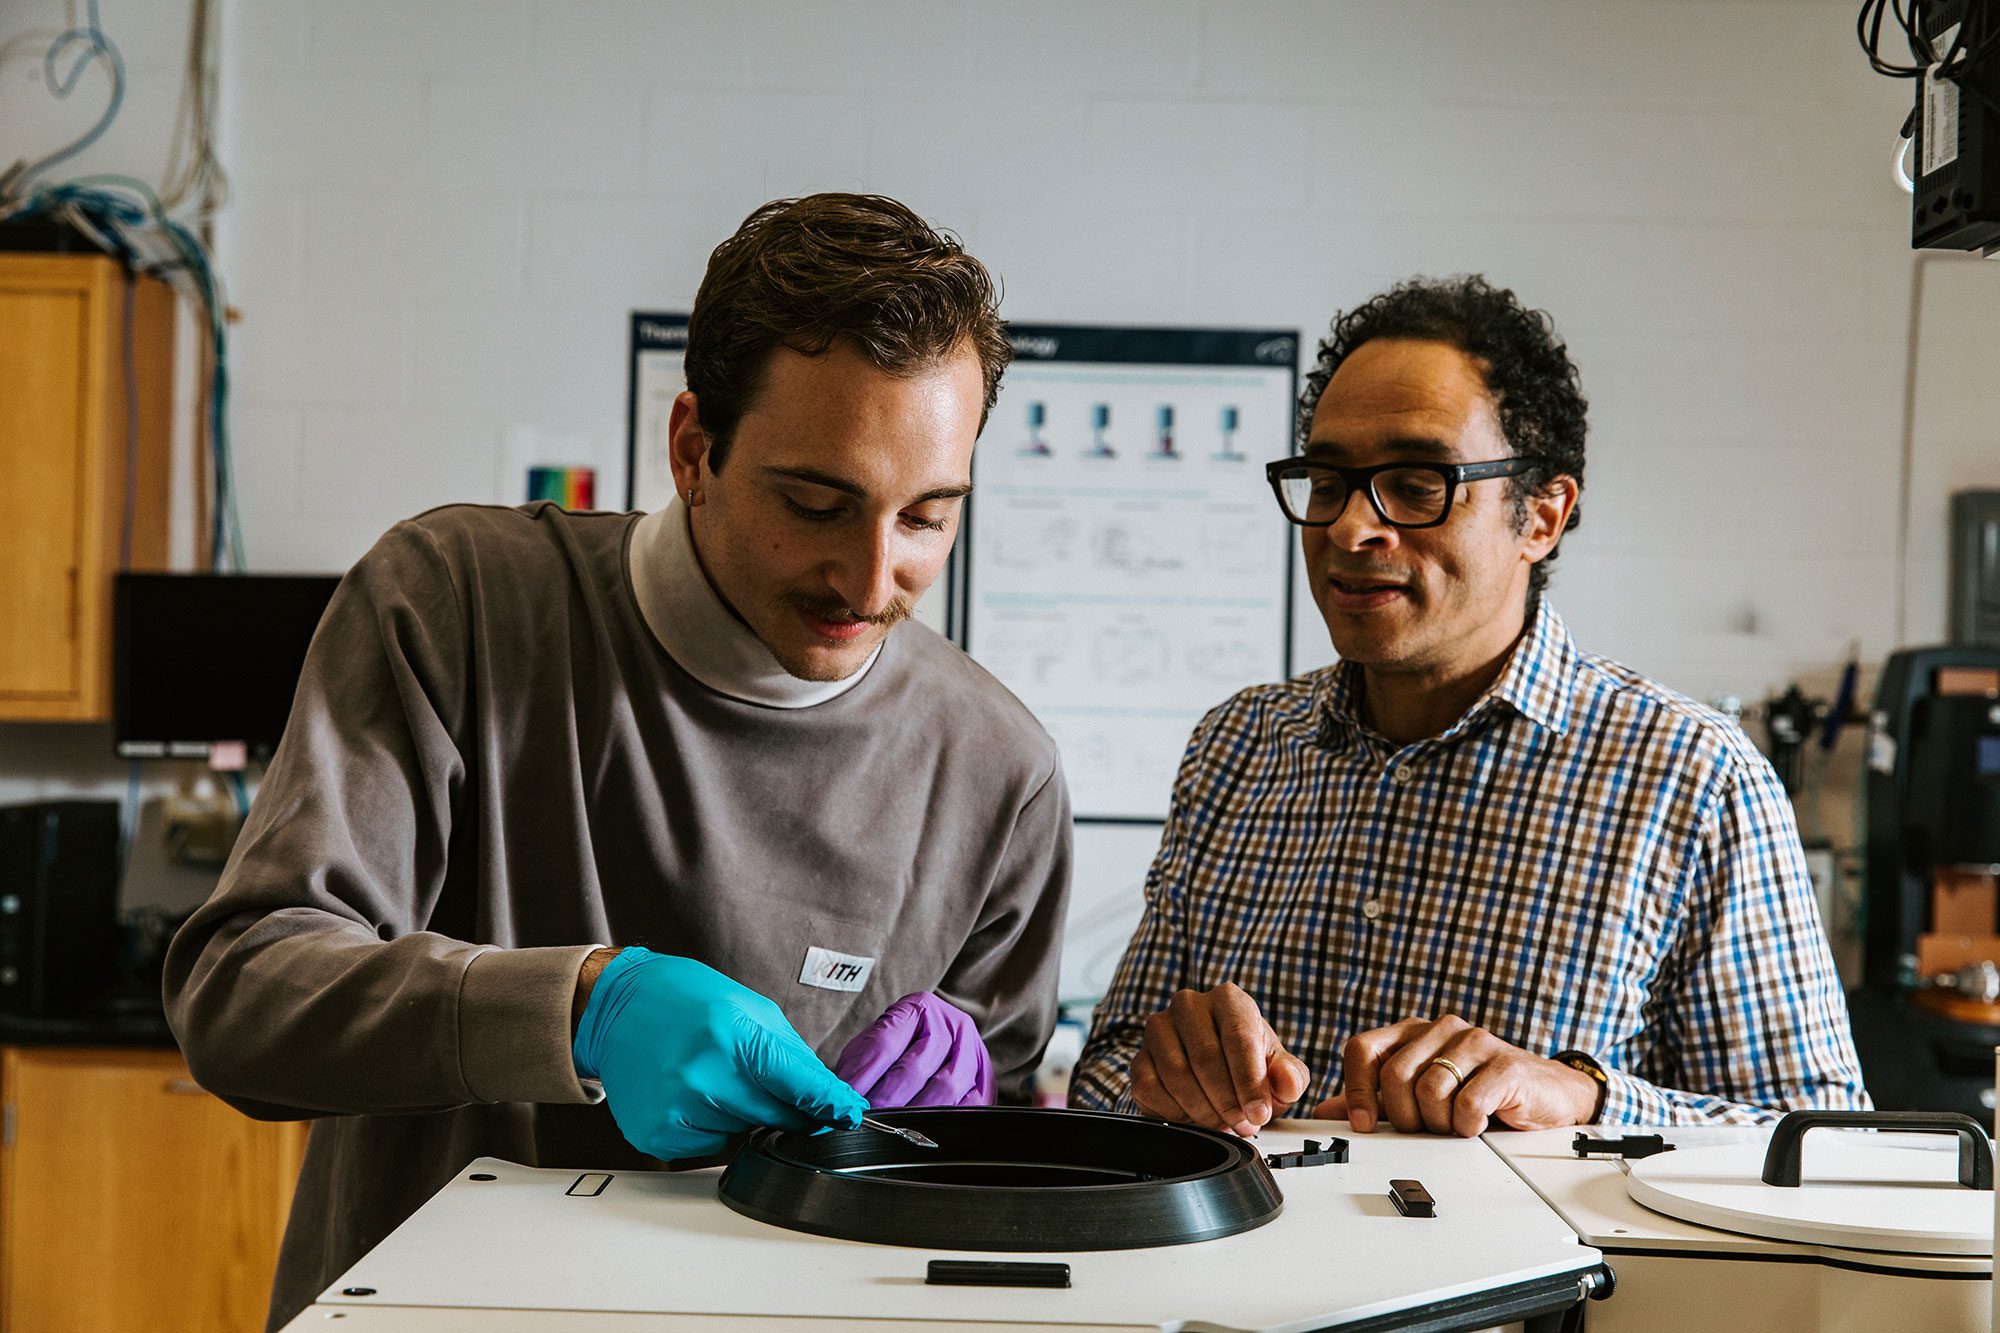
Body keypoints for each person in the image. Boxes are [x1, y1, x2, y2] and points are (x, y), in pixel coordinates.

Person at [166, 194, 1072, 1329]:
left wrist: (966, 1106)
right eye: (814, 502)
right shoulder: (453, 606)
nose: (867, 576)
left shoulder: (999, 770)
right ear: (694, 446)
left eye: (927, 518)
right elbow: (241, 997)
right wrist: (574, 1007)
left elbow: (988, 1151)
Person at [1070, 275, 1866, 1139]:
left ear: (1542, 518)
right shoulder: (1240, 745)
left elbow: (1823, 1146)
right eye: (1328, 480)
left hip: (1550, 1281)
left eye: (1416, 485)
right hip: (1240, 1271)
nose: (1348, 529)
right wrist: (1166, 1077)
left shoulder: (1691, 777)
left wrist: (1583, 1099)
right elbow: (1108, 1068)